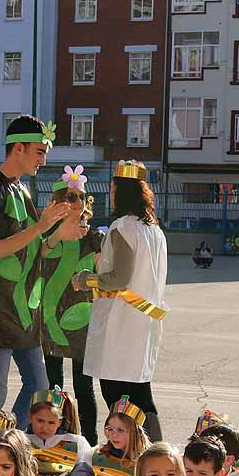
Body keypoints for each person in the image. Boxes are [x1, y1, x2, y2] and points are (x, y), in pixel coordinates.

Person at [0, 115, 76, 432]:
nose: (43, 159)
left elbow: (32, 249)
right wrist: (42, 227)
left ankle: (6, 440)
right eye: (39, 151)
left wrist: (55, 235)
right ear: (19, 148)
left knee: (39, 387)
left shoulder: (22, 191)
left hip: (23, 306)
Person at [74, 160, 168, 441]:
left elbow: (118, 279)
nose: (111, 192)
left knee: (118, 396)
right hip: (143, 322)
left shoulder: (122, 227)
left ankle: (133, 457)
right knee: (141, 393)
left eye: (113, 187)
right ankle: (157, 454)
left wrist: (85, 280)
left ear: (120, 191)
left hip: (122, 323)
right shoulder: (155, 231)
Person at [40, 166, 101, 445]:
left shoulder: (94, 238)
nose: (78, 202)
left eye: (81, 196)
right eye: (71, 197)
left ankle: (88, 441)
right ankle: (56, 437)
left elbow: (106, 277)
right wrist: (56, 233)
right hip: (51, 315)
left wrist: (89, 281)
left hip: (83, 318)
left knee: (83, 386)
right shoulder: (48, 234)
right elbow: (41, 255)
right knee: (53, 386)